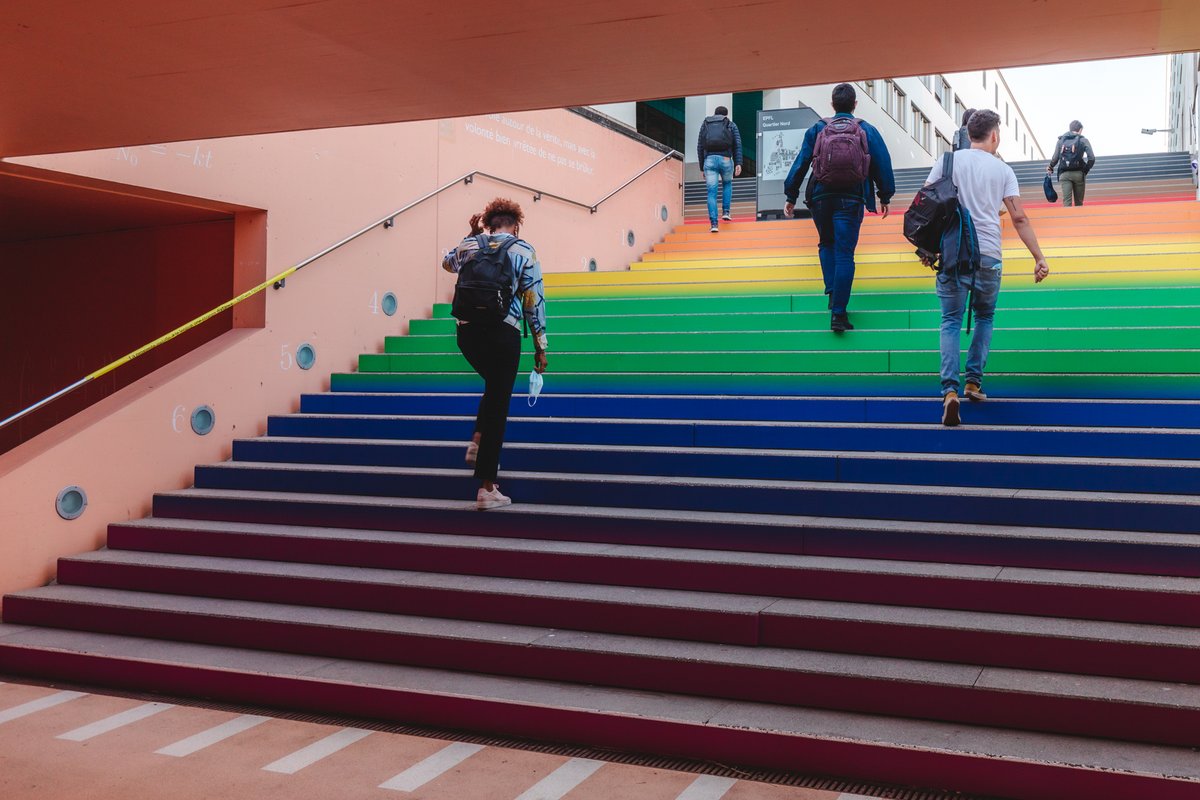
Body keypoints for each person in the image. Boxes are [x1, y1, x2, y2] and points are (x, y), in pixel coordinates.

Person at [922, 110, 1050, 426]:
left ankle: (949, 391)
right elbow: (1019, 217)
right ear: (994, 135)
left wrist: (925, 247)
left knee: (950, 320)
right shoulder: (1003, 170)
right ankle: (973, 383)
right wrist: (1039, 257)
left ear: (969, 133)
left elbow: (925, 205)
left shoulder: (947, 162)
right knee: (985, 316)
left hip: (953, 253)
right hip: (989, 256)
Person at [442, 198, 548, 509]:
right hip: (504, 332)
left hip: (467, 332)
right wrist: (541, 345)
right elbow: (534, 299)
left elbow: (447, 263)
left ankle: (477, 439)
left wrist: (469, 234)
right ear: (516, 225)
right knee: (499, 402)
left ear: (488, 223)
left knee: (495, 387)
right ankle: (487, 488)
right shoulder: (523, 250)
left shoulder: (470, 245)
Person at [784, 83, 895, 332]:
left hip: (821, 197)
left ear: (832, 104)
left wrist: (791, 194)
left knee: (826, 243)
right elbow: (882, 162)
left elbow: (801, 161)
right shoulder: (866, 129)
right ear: (855, 104)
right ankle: (839, 314)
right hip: (851, 198)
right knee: (845, 253)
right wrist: (884, 196)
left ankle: (833, 293)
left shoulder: (818, 128)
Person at [697, 105, 743, 233]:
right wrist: (738, 163)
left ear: (715, 113)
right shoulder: (730, 124)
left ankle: (714, 224)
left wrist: (702, 166)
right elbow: (737, 145)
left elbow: (700, 146)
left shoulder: (705, 124)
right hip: (726, 159)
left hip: (709, 160)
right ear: (726, 114)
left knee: (711, 192)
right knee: (727, 184)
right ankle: (726, 212)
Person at [1047, 120, 1095, 207]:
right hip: (1079, 174)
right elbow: (1091, 158)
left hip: (1064, 174)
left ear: (1070, 129)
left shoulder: (1061, 141)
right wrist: (1085, 170)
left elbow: (1055, 158)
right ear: (1080, 130)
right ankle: (1079, 220)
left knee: (1067, 203)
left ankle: (1067, 220)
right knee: (1079, 203)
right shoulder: (1083, 140)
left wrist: (1050, 166)